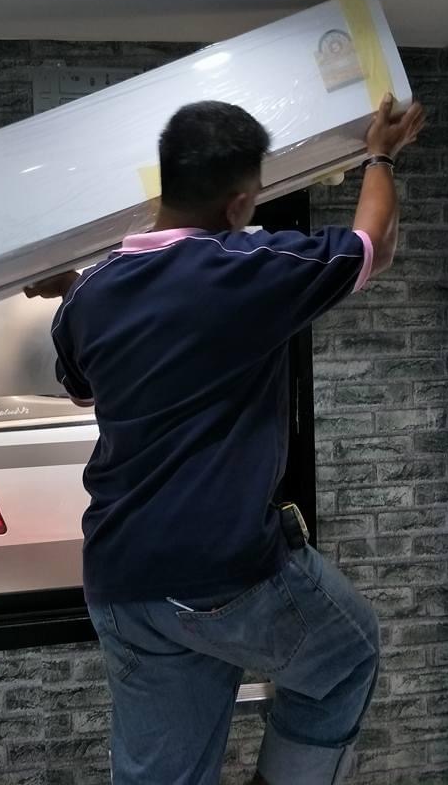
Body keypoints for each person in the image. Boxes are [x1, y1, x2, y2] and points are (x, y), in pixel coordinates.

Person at [26, 94, 425, 785]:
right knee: (345, 657)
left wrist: (70, 286)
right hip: (218, 573)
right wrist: (380, 154)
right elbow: (373, 246)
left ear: (165, 181)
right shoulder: (249, 268)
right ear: (240, 201)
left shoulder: (90, 296)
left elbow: (84, 388)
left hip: (122, 579)